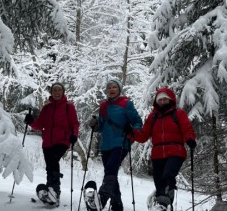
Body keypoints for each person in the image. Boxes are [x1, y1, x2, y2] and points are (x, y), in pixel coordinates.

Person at [129, 87, 196, 211]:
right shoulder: (152, 117)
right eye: (160, 100)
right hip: (157, 154)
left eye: (165, 99)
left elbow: (187, 128)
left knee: (168, 176)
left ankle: (162, 205)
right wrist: (131, 133)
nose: (162, 102)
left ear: (171, 100)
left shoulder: (178, 113)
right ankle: (164, 205)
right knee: (159, 183)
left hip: (176, 151)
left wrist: (190, 139)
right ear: (156, 102)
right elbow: (143, 135)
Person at [88, 78, 143, 211]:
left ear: (119, 89)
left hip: (121, 142)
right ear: (106, 91)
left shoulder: (126, 104)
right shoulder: (103, 106)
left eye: (114, 87)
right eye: (109, 88)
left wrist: (133, 130)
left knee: (111, 168)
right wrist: (94, 125)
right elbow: (101, 126)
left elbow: (138, 122)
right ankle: (117, 204)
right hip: (106, 144)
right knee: (110, 173)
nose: (111, 90)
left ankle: (102, 198)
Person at [24, 82, 79, 204]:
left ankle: (55, 190)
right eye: (55, 90)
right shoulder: (47, 108)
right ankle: (50, 191)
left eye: (59, 90)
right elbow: (39, 125)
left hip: (62, 141)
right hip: (47, 143)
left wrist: (74, 135)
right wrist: (31, 121)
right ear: (52, 93)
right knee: (50, 167)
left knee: (53, 161)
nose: (57, 92)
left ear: (63, 92)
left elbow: (74, 123)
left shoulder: (68, 107)